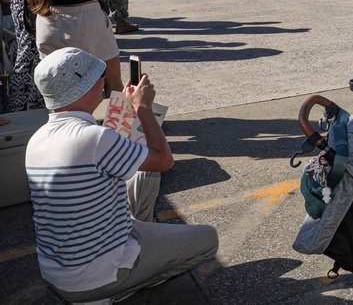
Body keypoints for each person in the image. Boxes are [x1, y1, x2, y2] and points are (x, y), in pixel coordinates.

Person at [26, 47, 218, 303]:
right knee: (208, 239)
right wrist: (144, 109)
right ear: (86, 88)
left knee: (144, 176)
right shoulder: (93, 138)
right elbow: (163, 159)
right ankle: (115, 290)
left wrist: (129, 108)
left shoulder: (36, 140)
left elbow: (108, 163)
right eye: (99, 77)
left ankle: (118, 277)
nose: (104, 81)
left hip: (57, 272)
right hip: (96, 275)